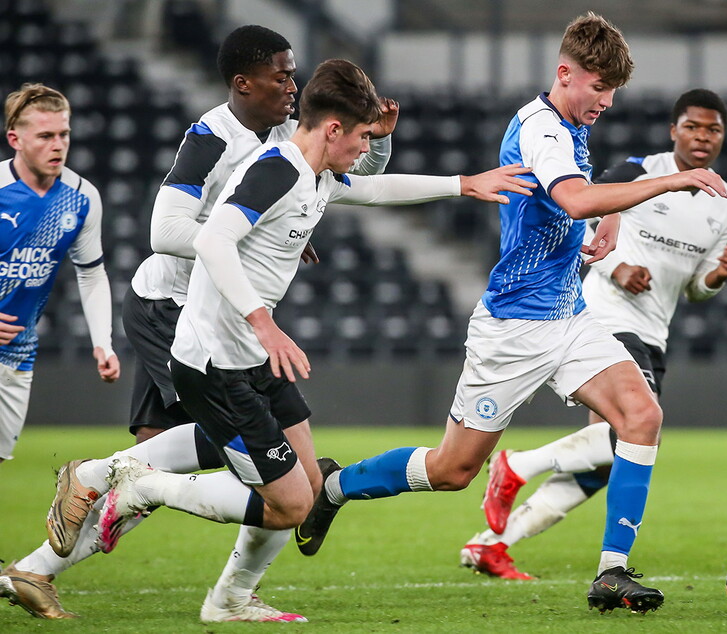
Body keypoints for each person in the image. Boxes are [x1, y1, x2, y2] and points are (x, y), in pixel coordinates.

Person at [265, 13, 727, 616]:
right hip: (513, 327)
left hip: (568, 312)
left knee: (641, 416)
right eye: (599, 88)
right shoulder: (543, 130)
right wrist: (667, 185)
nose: (608, 102)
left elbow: (572, 204)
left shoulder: (571, 123)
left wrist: (600, 222)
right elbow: (572, 195)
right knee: (454, 468)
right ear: (566, 74)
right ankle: (335, 486)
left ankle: (612, 572)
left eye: (613, 92)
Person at [93, 57, 537, 623]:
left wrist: (464, 184)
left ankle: (228, 599)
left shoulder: (314, 173)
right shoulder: (276, 169)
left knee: (304, 485)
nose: (362, 151)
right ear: (332, 129)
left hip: (249, 358)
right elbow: (212, 242)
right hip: (215, 361)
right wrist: (262, 319)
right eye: (360, 138)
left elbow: (376, 190)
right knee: (292, 504)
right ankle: (143, 487)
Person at [0, 25, 397, 621]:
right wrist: (240, 232)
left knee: (244, 464)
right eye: (281, 74)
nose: (293, 83)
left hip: (217, 314)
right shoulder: (209, 137)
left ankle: (59, 561)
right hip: (174, 311)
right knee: (195, 466)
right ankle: (67, 548)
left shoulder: (290, 134)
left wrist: (374, 152)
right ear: (244, 82)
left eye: (293, 73)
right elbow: (165, 233)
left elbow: (345, 179)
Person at [460, 88, 727, 580]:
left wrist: (716, 278)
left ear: (723, 137)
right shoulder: (639, 171)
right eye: (693, 127)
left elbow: (694, 289)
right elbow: (589, 205)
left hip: (653, 332)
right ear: (673, 131)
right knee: (632, 433)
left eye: (713, 129)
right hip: (606, 318)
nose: (702, 137)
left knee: (610, 459)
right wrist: (615, 267)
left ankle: (494, 543)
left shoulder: (725, 206)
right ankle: (518, 465)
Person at [0, 82, 120, 468]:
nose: (58, 145)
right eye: (46, 136)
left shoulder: (82, 197)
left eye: (64, 134)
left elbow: (91, 275)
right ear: (15, 139)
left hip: (17, 352)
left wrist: (102, 341)